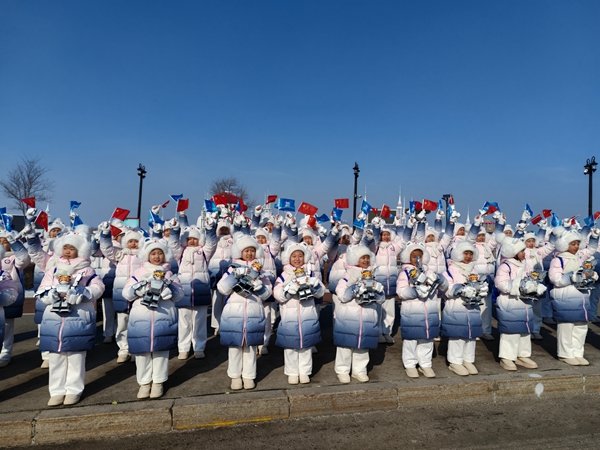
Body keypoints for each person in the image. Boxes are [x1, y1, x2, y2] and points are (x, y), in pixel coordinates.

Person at [36, 233, 105, 406]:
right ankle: (57, 390)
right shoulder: (53, 269)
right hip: (54, 319)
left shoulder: (87, 270)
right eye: (65, 248)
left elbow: (98, 287)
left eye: (72, 248)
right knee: (56, 356)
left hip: (78, 317)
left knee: (76, 356)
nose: (68, 251)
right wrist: (50, 295)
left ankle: (74, 390)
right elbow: (42, 289)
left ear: (80, 251)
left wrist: (83, 294)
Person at [123, 239, 183, 399]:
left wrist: (169, 288)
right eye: (153, 253)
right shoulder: (139, 272)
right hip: (141, 318)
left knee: (161, 351)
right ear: (147, 255)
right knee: (142, 353)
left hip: (163, 317)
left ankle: (158, 382)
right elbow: (127, 293)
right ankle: (144, 382)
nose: (157, 256)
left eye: (160, 253)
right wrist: (141, 288)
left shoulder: (170, 273)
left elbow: (179, 295)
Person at [217, 235, 272, 390]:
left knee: (251, 347)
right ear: (240, 252)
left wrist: (258, 285)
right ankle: (235, 376)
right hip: (234, 312)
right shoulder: (231, 268)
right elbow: (222, 289)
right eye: (246, 251)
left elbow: (268, 294)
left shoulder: (262, 271)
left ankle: (249, 376)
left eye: (252, 251)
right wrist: (234, 277)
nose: (249, 254)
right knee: (235, 346)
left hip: (254, 311)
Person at [273, 243, 324, 384]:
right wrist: (289, 290)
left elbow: (321, 292)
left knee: (306, 346)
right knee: (290, 346)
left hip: (308, 316)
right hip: (290, 317)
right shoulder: (283, 275)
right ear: (288, 258)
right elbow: (277, 294)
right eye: (294, 256)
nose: (297, 259)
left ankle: (305, 371)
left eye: (300, 256)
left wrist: (314, 287)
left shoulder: (310, 273)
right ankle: (292, 372)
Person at [333, 245, 385, 383]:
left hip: (367, 316)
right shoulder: (348, 275)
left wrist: (376, 291)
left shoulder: (373, 275)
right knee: (345, 345)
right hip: (349, 316)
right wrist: (355, 288)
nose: (365, 260)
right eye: (362, 257)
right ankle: (342, 370)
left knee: (363, 346)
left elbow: (381, 298)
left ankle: (359, 370)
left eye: (367, 257)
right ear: (355, 259)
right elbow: (342, 295)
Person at [396, 243, 447, 378]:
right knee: (411, 339)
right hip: (412, 311)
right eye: (413, 256)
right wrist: (415, 291)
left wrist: (441, 280)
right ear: (408, 257)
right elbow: (400, 292)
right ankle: (410, 364)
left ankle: (425, 363)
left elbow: (443, 287)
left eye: (419, 255)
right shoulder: (405, 272)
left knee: (427, 338)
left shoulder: (429, 271)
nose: (417, 258)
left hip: (429, 310)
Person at [548, 230, 599, 366]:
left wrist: (594, 236)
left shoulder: (580, 257)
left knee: (581, 326)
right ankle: (565, 354)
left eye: (577, 243)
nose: (576, 246)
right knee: (566, 326)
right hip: (566, 296)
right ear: (565, 245)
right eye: (572, 244)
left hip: (580, 297)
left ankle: (577, 352)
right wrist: (572, 277)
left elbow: (591, 249)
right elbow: (555, 279)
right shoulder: (557, 259)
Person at [495, 238, 546, 371]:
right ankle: (507, 357)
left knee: (525, 330)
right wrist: (519, 287)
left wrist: (534, 287)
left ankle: (522, 355)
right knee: (510, 331)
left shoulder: (524, 265)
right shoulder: (505, 266)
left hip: (524, 302)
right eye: (522, 250)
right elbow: (501, 284)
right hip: (510, 302)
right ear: (514, 252)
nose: (524, 253)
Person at [99, 224, 144, 363]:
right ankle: (123, 349)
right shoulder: (120, 254)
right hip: (121, 293)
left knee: (136, 322)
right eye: (130, 241)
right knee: (122, 322)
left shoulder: (143, 255)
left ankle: (136, 350)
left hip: (138, 294)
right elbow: (106, 249)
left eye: (136, 241)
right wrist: (106, 234)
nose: (133, 244)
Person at [442, 241, 488, 376]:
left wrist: (482, 289)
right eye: (465, 253)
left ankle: (468, 359)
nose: (468, 256)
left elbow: (479, 284)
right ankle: (455, 362)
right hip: (457, 306)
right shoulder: (450, 270)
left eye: (470, 254)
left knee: (471, 335)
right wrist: (460, 289)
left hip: (472, 306)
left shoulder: (473, 270)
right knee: (458, 335)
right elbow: (447, 290)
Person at [175, 222, 217, 359]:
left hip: (201, 290)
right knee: (184, 322)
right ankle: (183, 347)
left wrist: (210, 229)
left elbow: (211, 243)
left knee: (199, 321)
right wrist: (175, 230)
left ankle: (199, 346)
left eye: (195, 238)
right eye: (189, 239)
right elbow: (172, 244)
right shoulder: (180, 252)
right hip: (184, 291)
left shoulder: (204, 252)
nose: (192, 241)